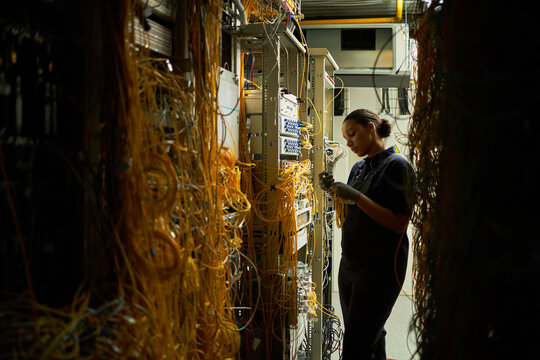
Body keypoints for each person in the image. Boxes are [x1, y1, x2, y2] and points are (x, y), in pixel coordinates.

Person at [319, 109, 415, 360]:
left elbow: (398, 223)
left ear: (370, 128)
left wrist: (356, 196)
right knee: (369, 338)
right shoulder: (359, 168)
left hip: (379, 271)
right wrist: (334, 193)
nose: (348, 142)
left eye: (352, 134)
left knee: (355, 346)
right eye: (346, 137)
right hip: (351, 266)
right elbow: (355, 209)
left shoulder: (397, 166)